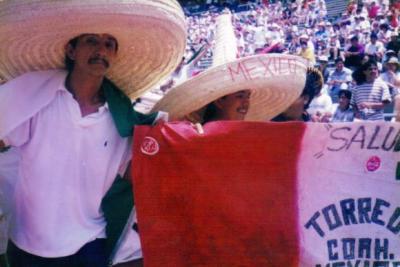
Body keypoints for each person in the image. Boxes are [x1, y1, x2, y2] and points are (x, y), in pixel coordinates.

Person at [0, 1, 186, 266]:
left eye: (109, 44)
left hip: (90, 240)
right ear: (71, 50)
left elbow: (136, 172)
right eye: (91, 41)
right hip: (31, 242)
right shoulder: (35, 98)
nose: (101, 50)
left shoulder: (121, 117)